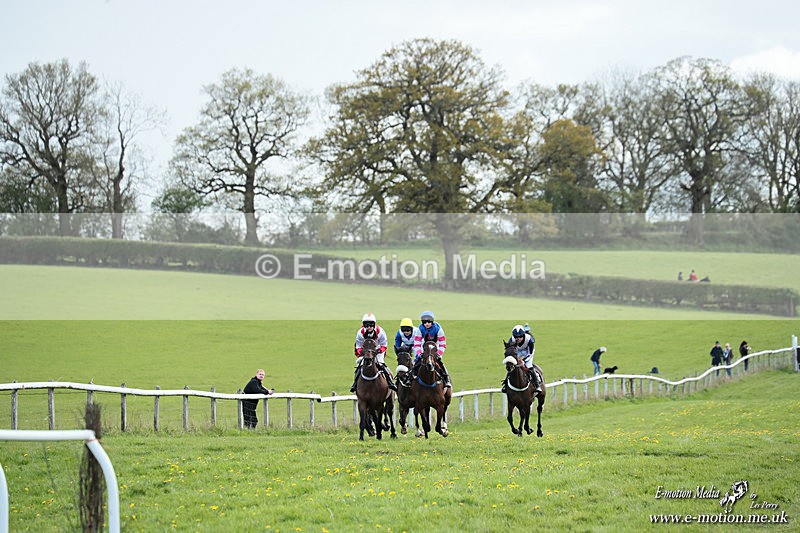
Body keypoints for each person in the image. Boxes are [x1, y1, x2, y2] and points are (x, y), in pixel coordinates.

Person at [350, 313, 396, 393]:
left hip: (377, 350)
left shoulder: (380, 332)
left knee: (381, 364)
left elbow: (384, 345)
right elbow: (358, 346)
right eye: (366, 325)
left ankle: (390, 383)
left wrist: (379, 351)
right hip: (366, 351)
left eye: (371, 325)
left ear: (374, 324)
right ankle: (355, 384)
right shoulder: (360, 333)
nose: (368, 327)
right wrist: (362, 352)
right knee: (360, 365)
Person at [413, 310, 451, 388]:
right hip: (424, 346)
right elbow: (417, 343)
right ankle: (411, 379)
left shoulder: (438, 329)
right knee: (417, 362)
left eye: (429, 322)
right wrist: (420, 353)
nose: (426, 324)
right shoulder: (420, 329)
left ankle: (447, 379)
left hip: (435, 346)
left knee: (440, 363)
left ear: (432, 321)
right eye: (424, 322)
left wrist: (439, 354)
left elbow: (442, 344)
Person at [502, 324, 540, 393]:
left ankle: (537, 385)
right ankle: (505, 384)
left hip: (528, 352)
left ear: (523, 335)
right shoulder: (511, 340)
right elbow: (510, 351)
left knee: (529, 366)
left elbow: (530, 353)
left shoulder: (530, 340)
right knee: (511, 366)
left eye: (520, 336)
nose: (518, 338)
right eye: (516, 337)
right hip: (517, 352)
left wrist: (524, 360)